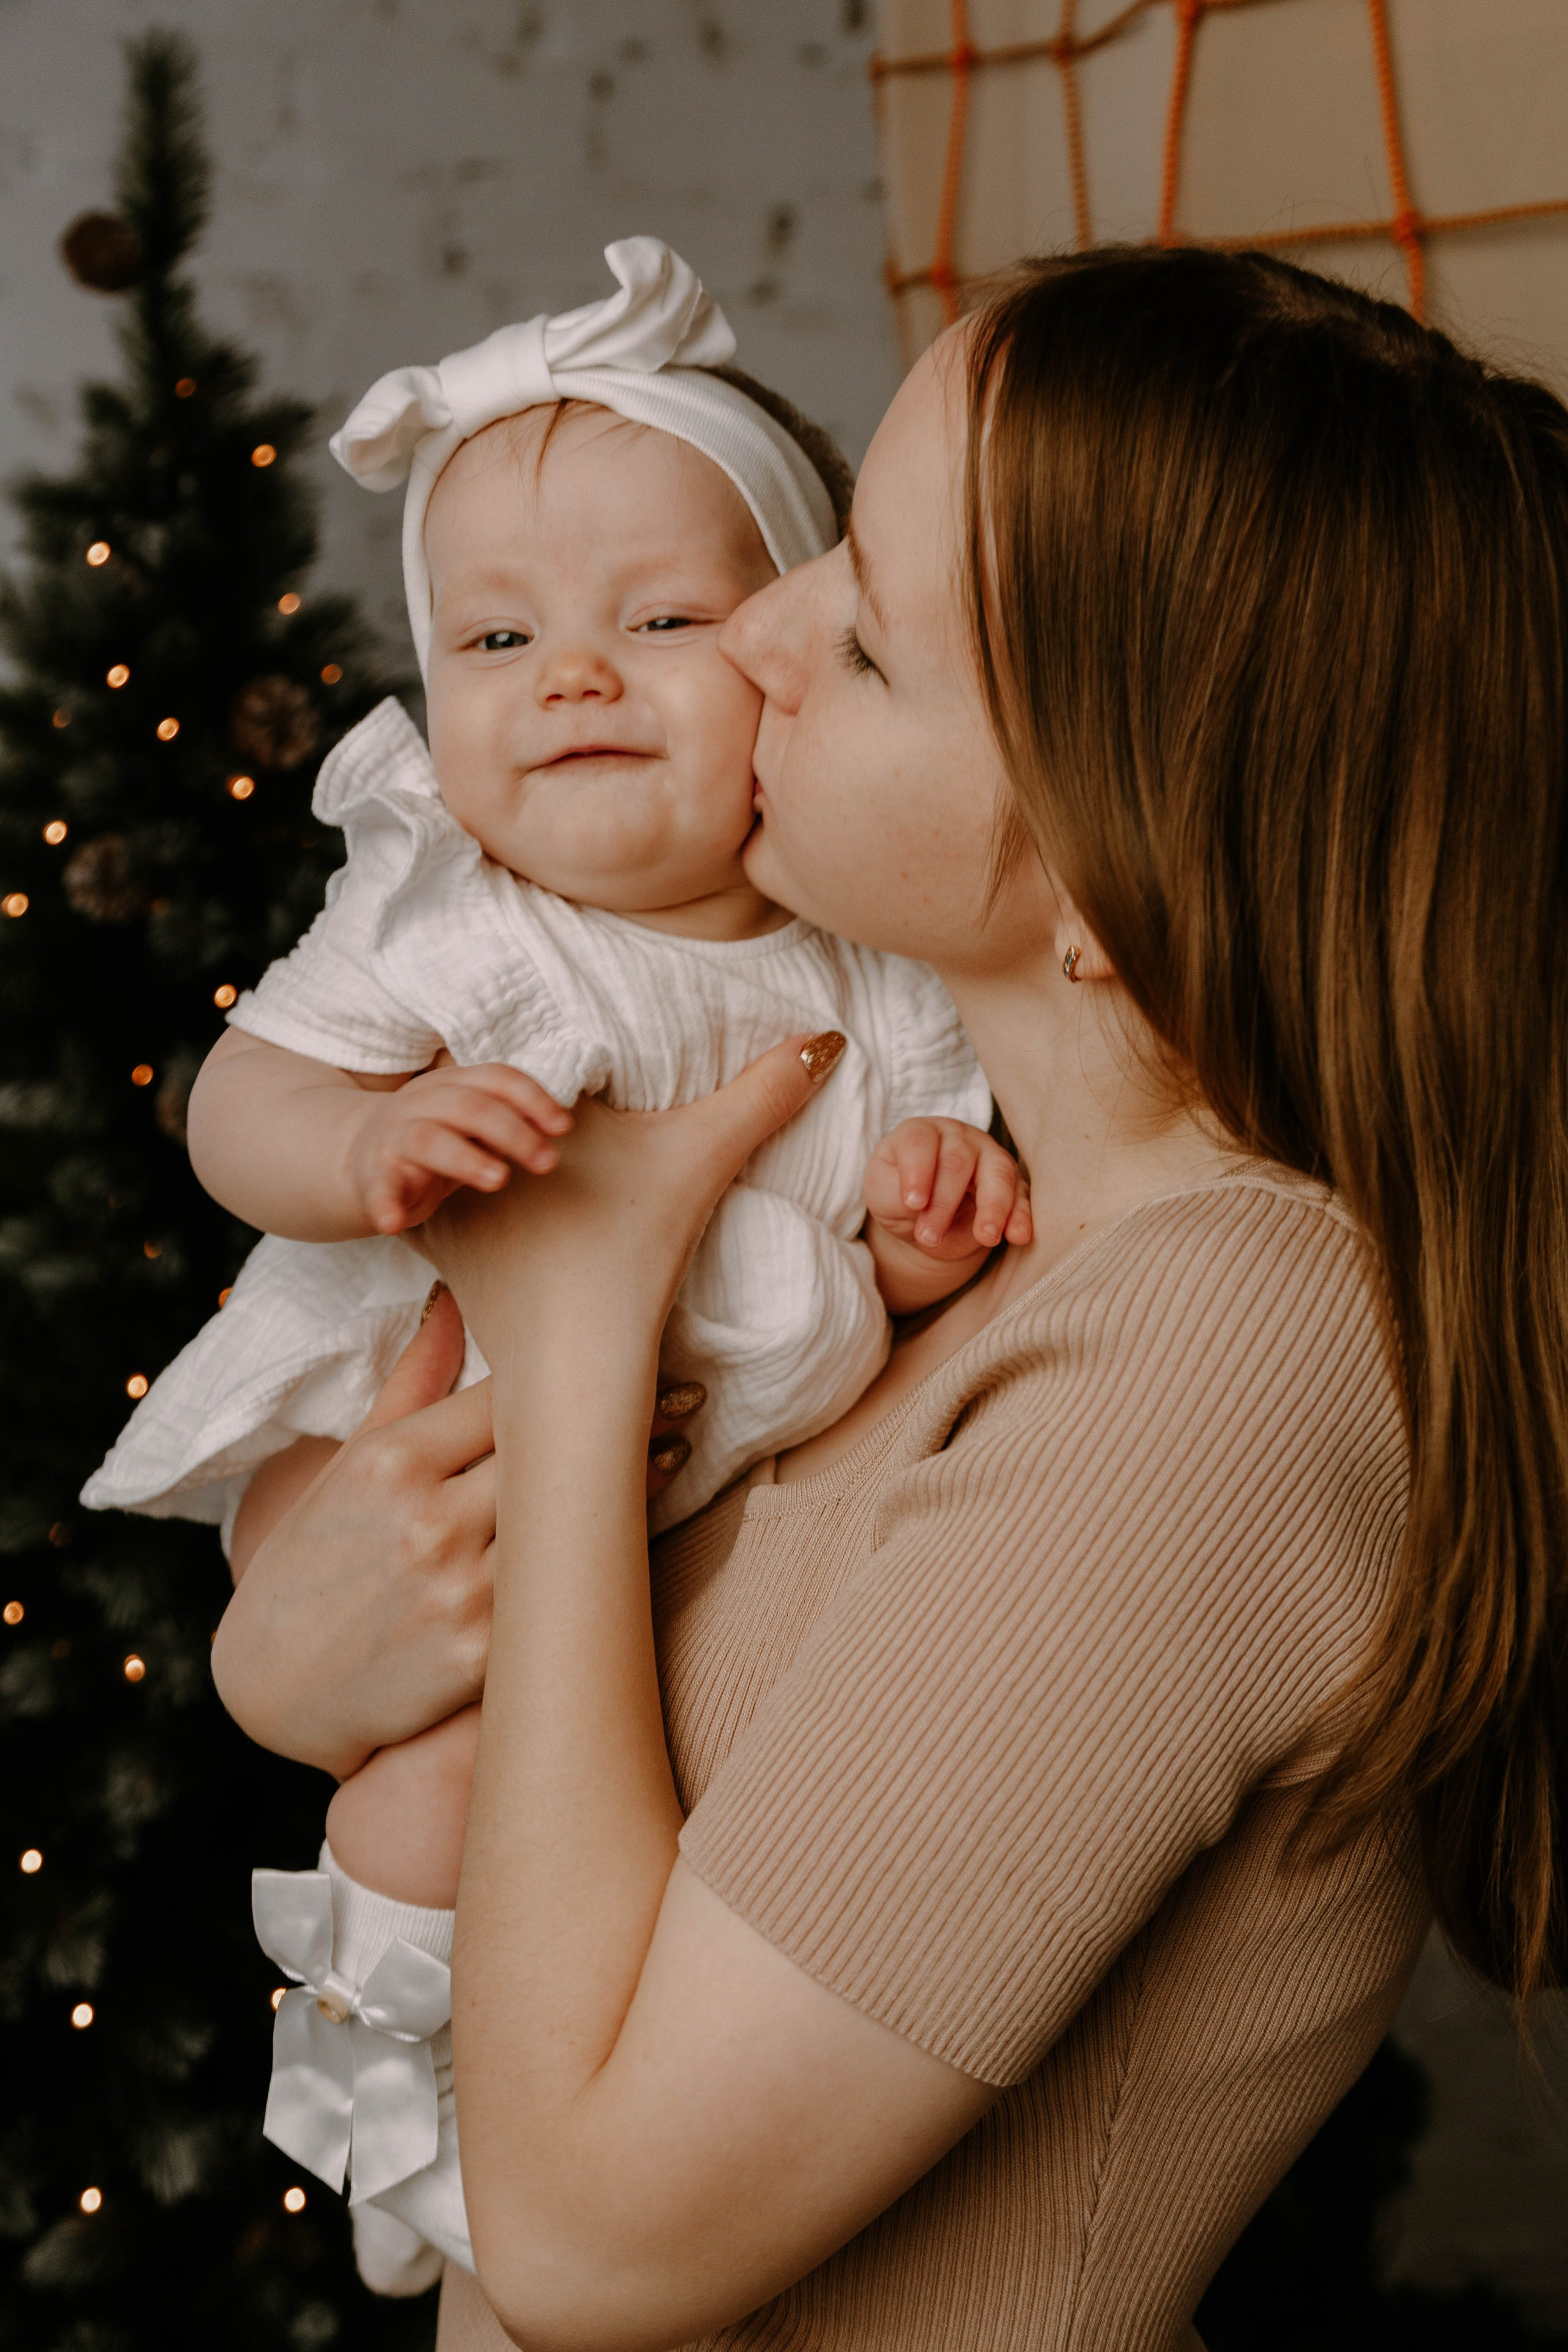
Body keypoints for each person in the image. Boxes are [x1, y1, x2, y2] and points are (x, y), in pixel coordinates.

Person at [214, 246, 1568, 2351]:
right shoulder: (960, 1240)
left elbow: (593, 2248)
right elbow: (548, 1720)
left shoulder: (1221, 1360)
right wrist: (294, 1664)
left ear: (1115, 881)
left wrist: (573, 1349)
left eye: (862, 635)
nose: (752, 621)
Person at [82, 238, 1022, 2292]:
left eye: (661, 618)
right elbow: (235, 1105)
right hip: (420, 1448)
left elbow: (915, 1187)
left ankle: (533, 2122)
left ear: (787, 655)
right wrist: (368, 1140)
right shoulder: (462, 920)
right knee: (416, 1806)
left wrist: (932, 1214)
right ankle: (398, 2150)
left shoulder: (876, 956)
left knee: (621, 1844)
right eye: (494, 639)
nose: (569, 678)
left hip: (675, 1515)